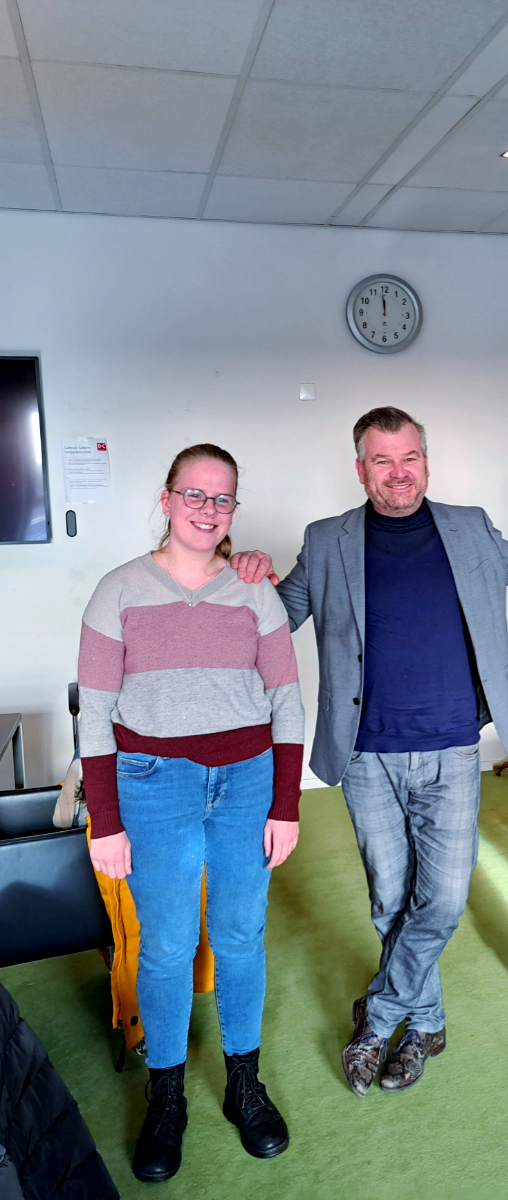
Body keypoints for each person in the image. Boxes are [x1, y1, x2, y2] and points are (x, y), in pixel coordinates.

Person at [233, 408, 508, 1096]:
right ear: (359, 469)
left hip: (453, 749)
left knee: (443, 901)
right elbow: (277, 619)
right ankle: (425, 1023)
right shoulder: (328, 539)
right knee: (388, 902)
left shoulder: (469, 526)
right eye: (381, 461)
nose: (398, 474)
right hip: (366, 754)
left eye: (409, 458)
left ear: (426, 460)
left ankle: (381, 1018)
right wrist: (241, 573)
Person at [79, 444, 304, 1183]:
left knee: (241, 935)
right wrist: (106, 820)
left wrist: (286, 803)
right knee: (168, 945)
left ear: (233, 510)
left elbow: (285, 703)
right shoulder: (118, 591)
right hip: (153, 784)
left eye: (222, 499)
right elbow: (97, 715)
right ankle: (167, 1093)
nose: (208, 510)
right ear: (168, 498)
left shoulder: (254, 591)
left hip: (246, 782)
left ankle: (245, 1082)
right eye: (195, 495)